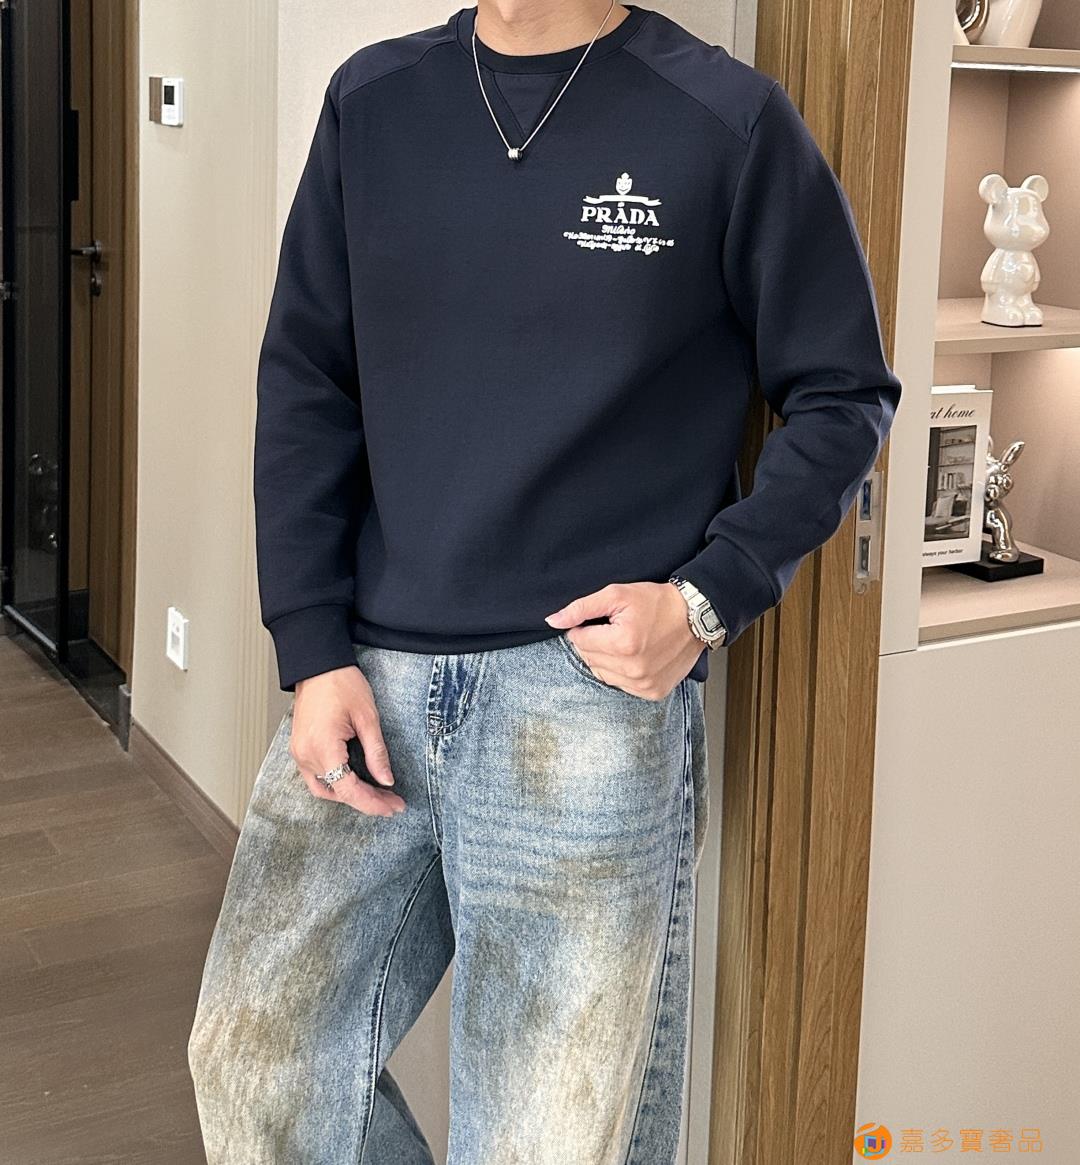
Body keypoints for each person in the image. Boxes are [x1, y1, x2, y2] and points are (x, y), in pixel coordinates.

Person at [187, 1, 902, 1161]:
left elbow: (845, 392)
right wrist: (310, 646)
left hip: (583, 702)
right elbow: (310, 381)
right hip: (369, 676)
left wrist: (708, 597)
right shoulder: (373, 102)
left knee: (544, 1142)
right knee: (253, 1061)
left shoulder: (726, 121)